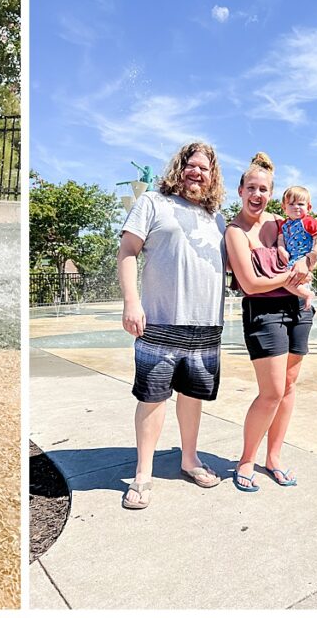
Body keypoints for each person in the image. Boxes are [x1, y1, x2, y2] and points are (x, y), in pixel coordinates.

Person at [117, 141, 228, 509]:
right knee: (152, 398)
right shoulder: (152, 203)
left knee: (193, 396)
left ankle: (189, 459)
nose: (197, 172)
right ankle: (144, 473)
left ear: (213, 177)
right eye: (190, 165)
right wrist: (132, 302)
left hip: (206, 325)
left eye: (204, 168)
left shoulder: (218, 219)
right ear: (179, 168)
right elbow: (128, 252)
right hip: (162, 319)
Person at [224, 152, 314, 492]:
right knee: (272, 391)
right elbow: (249, 284)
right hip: (263, 313)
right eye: (251, 188)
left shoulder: (280, 223)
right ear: (240, 190)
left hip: (298, 310)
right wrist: (290, 279)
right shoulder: (235, 232)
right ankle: (246, 458)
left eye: (263, 189)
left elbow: (307, 250)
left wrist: (303, 263)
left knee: (289, 388)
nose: (257, 195)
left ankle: (273, 457)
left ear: (270, 193)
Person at [276, 185, 317, 310]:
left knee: (288, 279)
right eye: (291, 204)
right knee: (285, 279)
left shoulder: (308, 221)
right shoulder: (284, 224)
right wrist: (281, 249)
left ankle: (307, 295)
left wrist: (315, 253)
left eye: (301, 204)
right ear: (284, 207)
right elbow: (280, 239)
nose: (296, 207)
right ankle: (301, 298)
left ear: (309, 207)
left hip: (304, 257)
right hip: (291, 259)